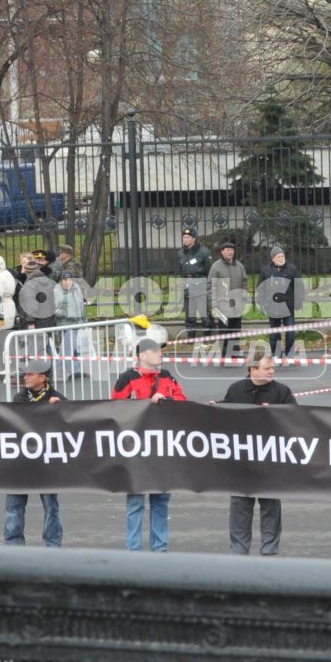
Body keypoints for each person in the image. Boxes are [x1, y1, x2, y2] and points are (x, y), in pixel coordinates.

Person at [112, 338, 186, 551]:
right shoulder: (127, 378)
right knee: (135, 502)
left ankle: (160, 549)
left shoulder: (167, 377)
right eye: (154, 351)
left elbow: (182, 401)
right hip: (136, 448)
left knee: (161, 501)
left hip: (163, 447)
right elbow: (117, 407)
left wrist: (166, 401)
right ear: (142, 355)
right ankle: (133, 550)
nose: (159, 355)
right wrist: (147, 404)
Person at [220, 351, 294, 555]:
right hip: (241, 461)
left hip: (270, 461)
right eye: (267, 368)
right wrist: (215, 409)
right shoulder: (236, 389)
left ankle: (270, 552)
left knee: (271, 507)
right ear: (253, 369)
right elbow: (225, 417)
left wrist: (278, 414)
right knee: (239, 508)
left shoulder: (282, 391)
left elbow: (297, 419)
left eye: (272, 368)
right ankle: (238, 552)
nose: (272, 371)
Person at [0, 365, 64, 546]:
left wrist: (58, 408)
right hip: (20, 462)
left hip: (46, 463)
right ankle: (13, 545)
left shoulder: (57, 398)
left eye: (30, 374)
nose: (25, 377)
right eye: (24, 374)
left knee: (51, 507)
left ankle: (53, 544)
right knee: (14, 507)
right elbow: (9, 421)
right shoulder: (19, 398)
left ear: (43, 377)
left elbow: (67, 424)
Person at [257, 246, 302, 359]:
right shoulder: (266, 270)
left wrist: (298, 301)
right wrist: (262, 303)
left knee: (290, 332)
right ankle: (276, 353)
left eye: (282, 256)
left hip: (288, 305)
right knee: (274, 332)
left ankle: (289, 354)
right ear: (273, 259)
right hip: (272, 306)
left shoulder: (292, 269)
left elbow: (299, 286)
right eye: (278, 256)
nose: (281, 258)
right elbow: (260, 288)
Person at [207, 241, 247, 359]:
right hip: (222, 304)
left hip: (237, 304)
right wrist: (213, 304)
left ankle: (234, 353)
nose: (230, 252)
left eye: (232, 250)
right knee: (224, 330)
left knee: (236, 329)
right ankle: (224, 354)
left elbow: (244, 281)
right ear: (222, 251)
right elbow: (211, 286)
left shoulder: (239, 265)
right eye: (227, 250)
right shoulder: (216, 267)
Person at [176, 226, 211, 336]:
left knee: (205, 314)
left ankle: (207, 338)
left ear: (194, 239)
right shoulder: (181, 253)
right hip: (188, 286)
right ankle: (191, 338)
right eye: (184, 237)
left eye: (188, 237)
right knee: (190, 315)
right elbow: (181, 270)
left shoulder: (204, 252)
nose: (185, 239)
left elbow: (209, 270)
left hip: (201, 285)